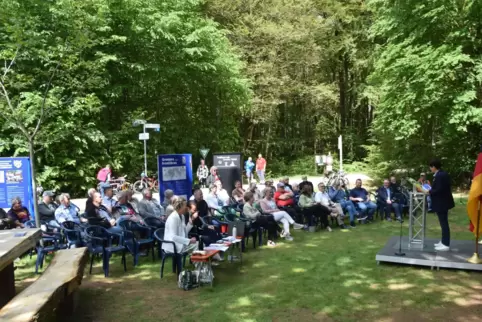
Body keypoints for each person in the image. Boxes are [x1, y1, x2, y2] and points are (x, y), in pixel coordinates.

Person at [428, 159, 454, 251]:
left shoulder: (440, 175)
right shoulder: (440, 174)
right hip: (442, 202)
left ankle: (446, 244)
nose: (430, 169)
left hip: (442, 203)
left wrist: (429, 191)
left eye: (430, 167)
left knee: (444, 223)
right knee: (442, 223)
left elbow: (439, 189)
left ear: (434, 167)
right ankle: (443, 241)